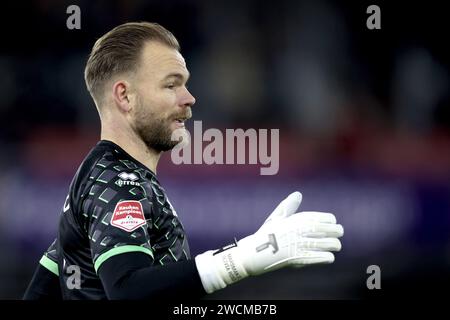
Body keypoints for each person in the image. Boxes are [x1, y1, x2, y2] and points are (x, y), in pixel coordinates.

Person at [23, 22, 344, 300]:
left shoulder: (100, 178)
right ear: (124, 96)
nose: (189, 98)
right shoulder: (116, 181)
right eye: (171, 84)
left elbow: (42, 291)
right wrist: (241, 258)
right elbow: (127, 289)